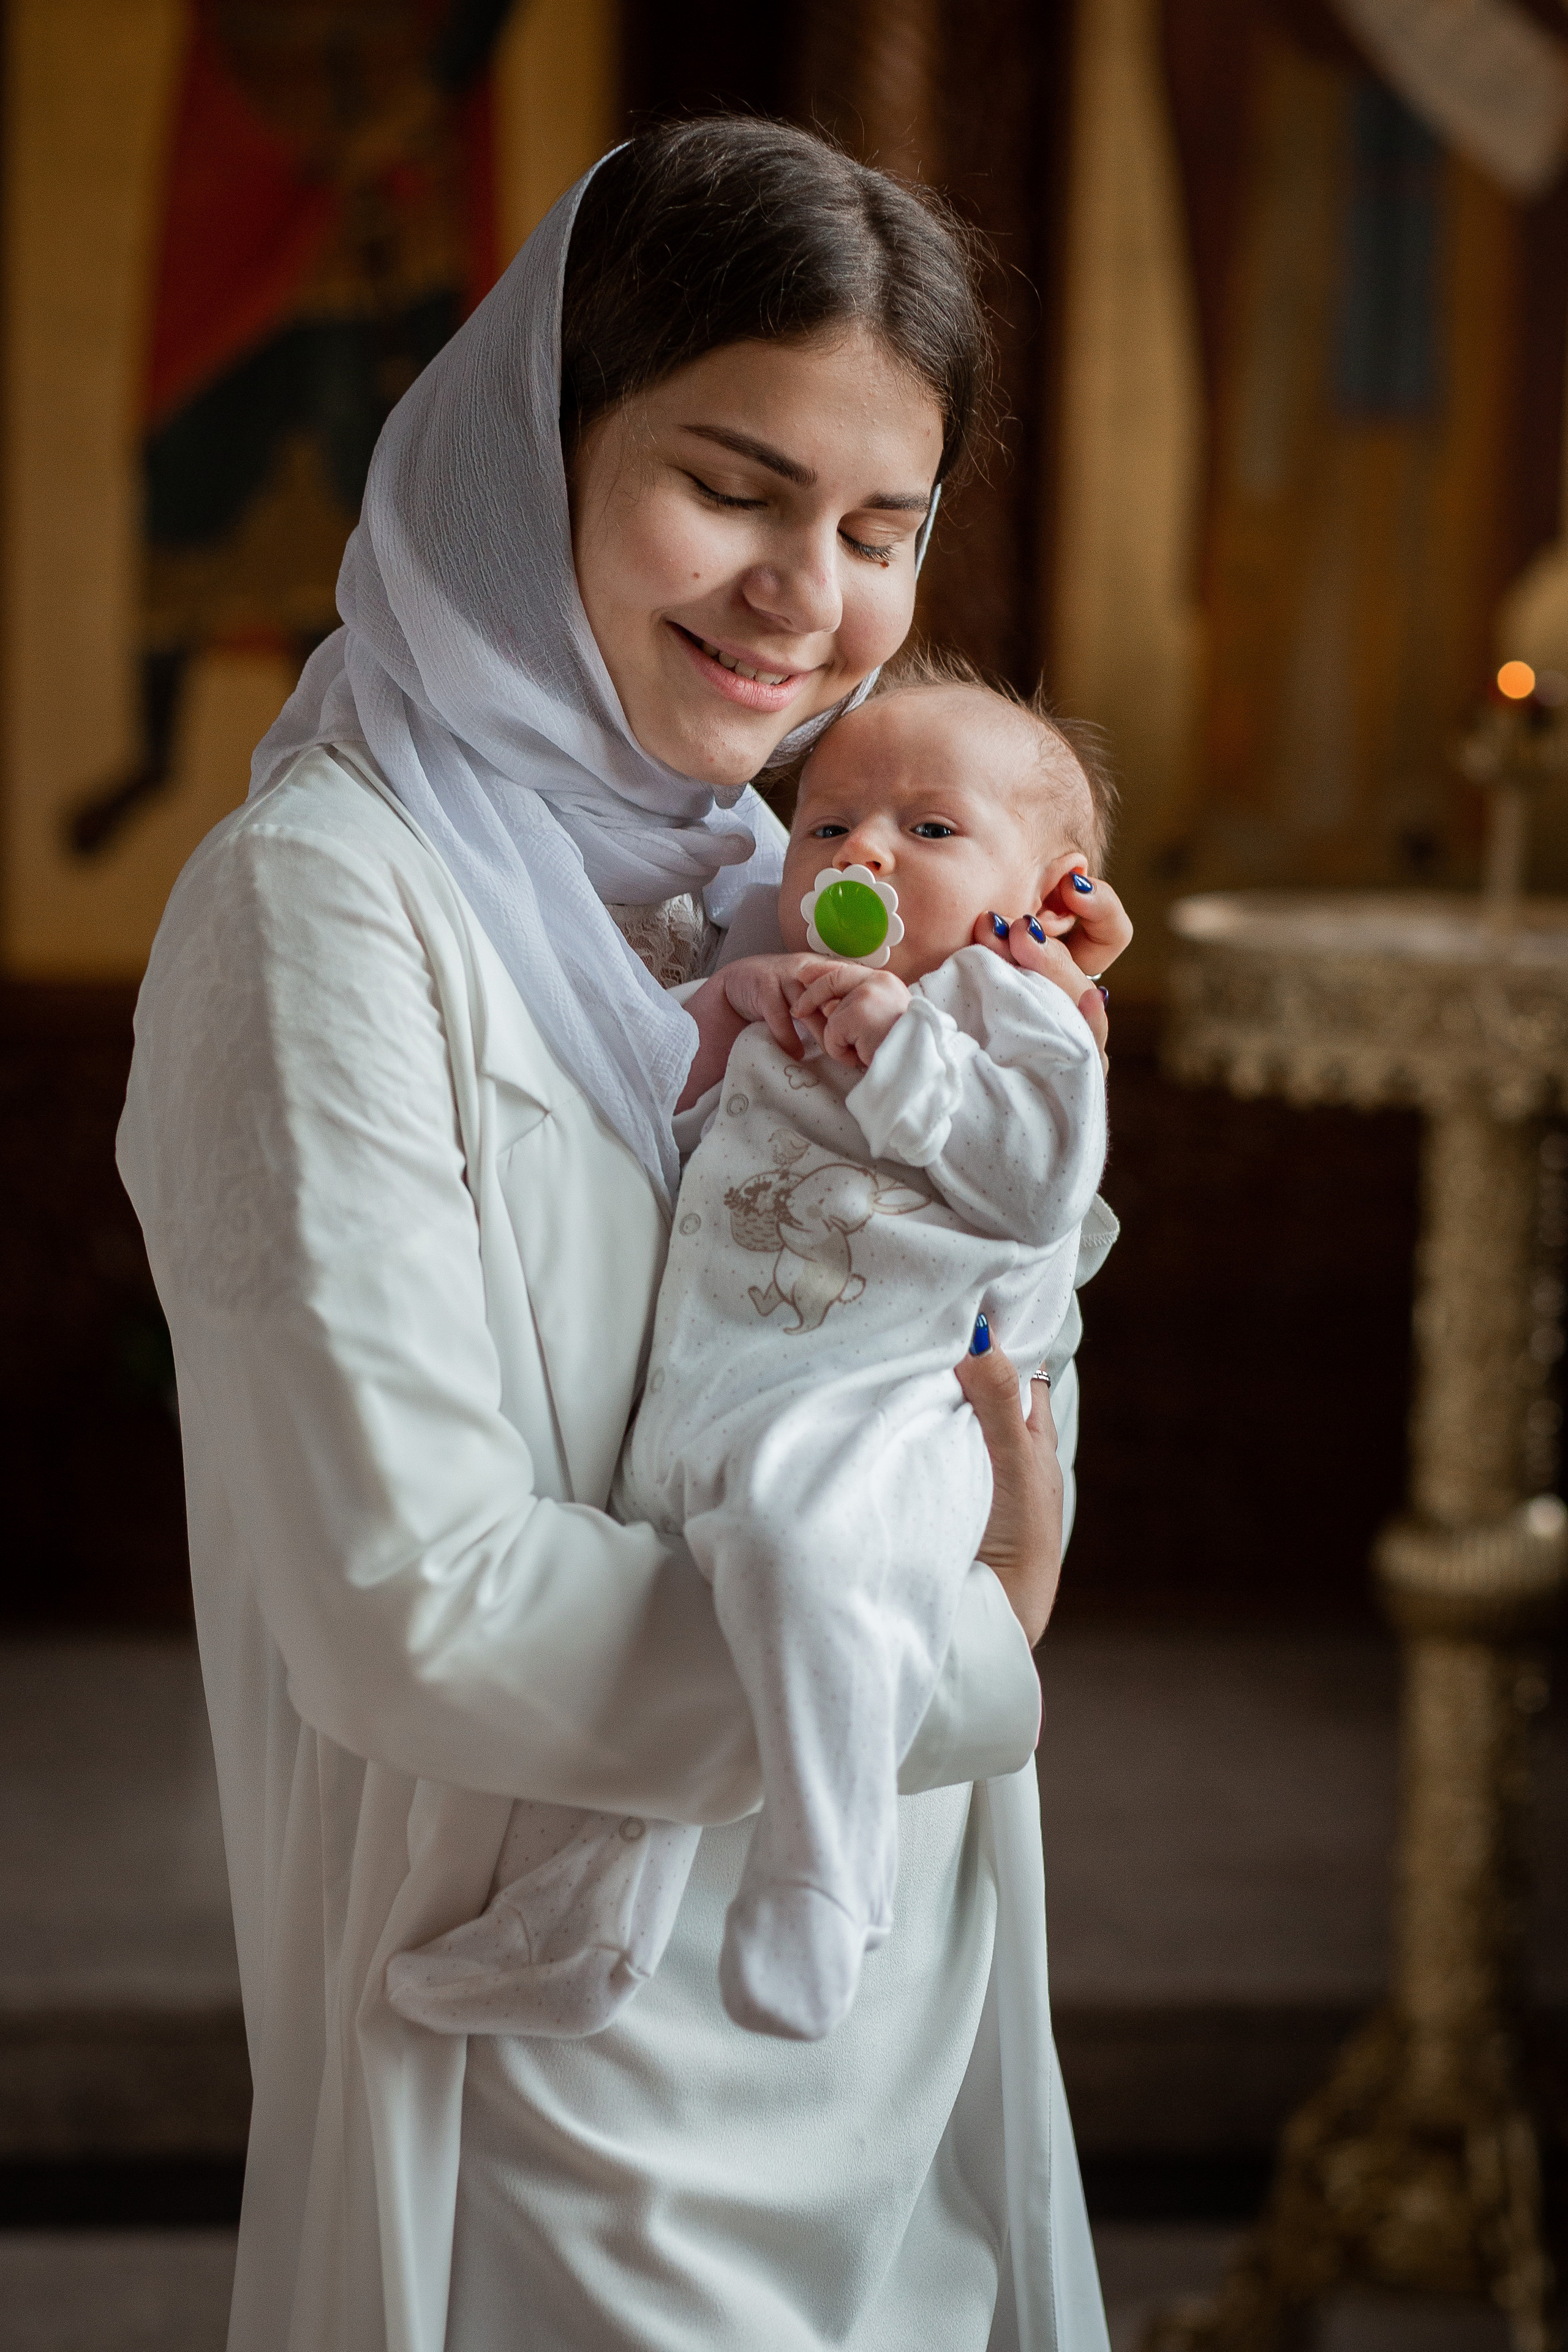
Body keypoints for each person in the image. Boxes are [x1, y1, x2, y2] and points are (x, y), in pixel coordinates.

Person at [117, 118, 1119, 2352]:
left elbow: (956, 1325)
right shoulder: (330, 909)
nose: (809, 598)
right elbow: (414, 1611)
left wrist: (1021, 1037)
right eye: (733, 486)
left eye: (882, 527)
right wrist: (979, 1641)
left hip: (895, 2004)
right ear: (531, 447)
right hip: (564, 2107)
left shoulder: (778, 872)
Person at [387, 664, 1127, 2052]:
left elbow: (1035, 1188)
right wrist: (725, 1013)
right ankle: (577, 1927)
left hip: (877, 1406)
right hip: (716, 1388)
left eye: (929, 829)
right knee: (663, 1631)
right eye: (827, 824)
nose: (862, 854)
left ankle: (825, 1873)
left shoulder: (1003, 1008)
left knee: (797, 1551)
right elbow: (647, 1151)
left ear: (1041, 891)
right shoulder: (787, 984)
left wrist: (909, 1052)